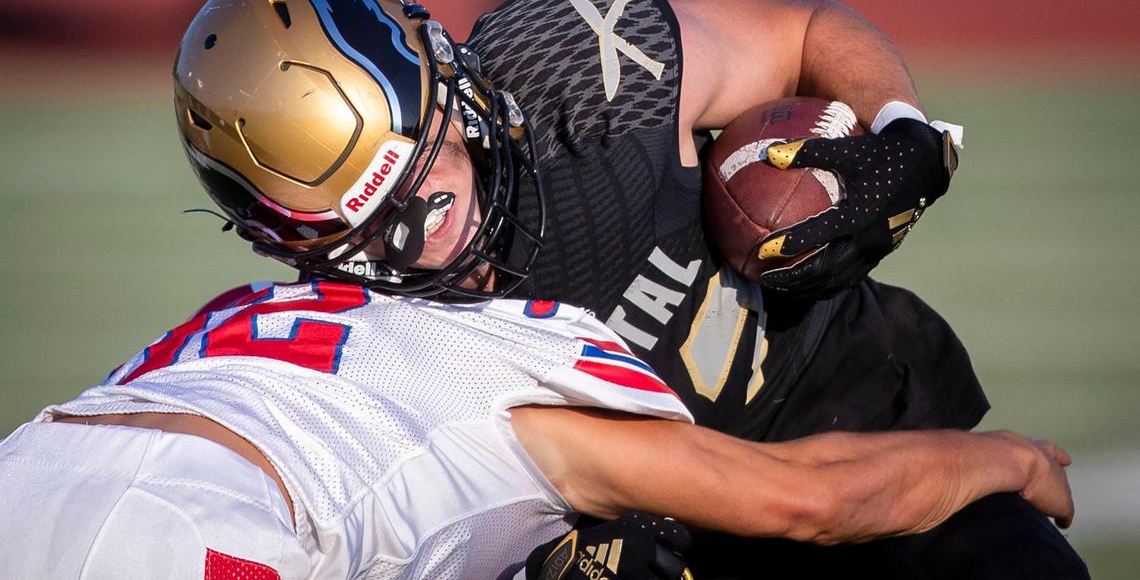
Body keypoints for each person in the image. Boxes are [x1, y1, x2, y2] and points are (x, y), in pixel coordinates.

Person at [167, 0, 1086, 578]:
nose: (435, 232)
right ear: (290, 249)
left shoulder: (569, 70)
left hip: (848, 416)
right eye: (377, 231)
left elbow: (802, 28)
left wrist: (897, 130)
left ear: (447, 72)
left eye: (430, 163)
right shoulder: (357, 356)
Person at [0, 279, 1073, 579]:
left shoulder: (254, 312)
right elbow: (808, 495)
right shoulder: (529, 380)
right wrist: (1006, 455)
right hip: (214, 534)